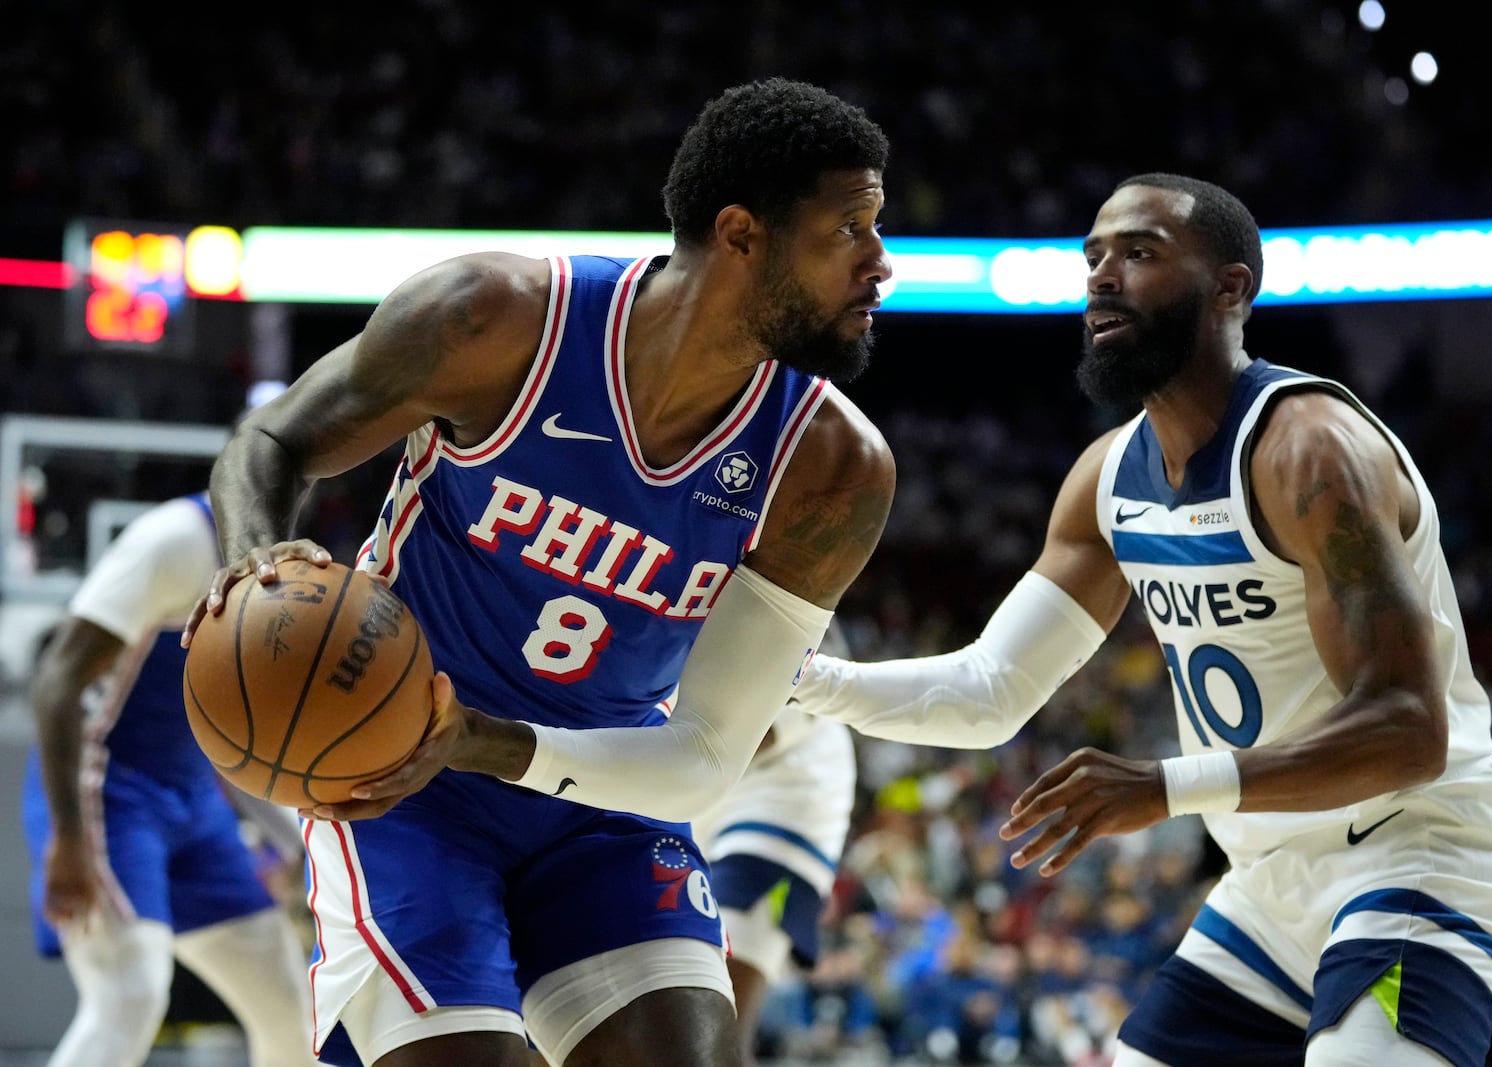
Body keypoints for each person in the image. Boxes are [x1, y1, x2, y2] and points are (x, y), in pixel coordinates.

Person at [182, 77, 896, 1067]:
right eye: (850, 228)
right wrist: (261, 559)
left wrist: (478, 740)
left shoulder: (831, 467)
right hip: (400, 786)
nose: (880, 264)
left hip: (599, 795)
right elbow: (273, 439)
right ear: (740, 235)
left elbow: (705, 753)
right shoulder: (497, 319)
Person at [796, 173, 1492, 1067]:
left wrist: (1165, 787)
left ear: (1231, 288)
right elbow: (989, 690)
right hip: (1268, 886)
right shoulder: (1108, 480)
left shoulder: (1308, 449)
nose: (1103, 276)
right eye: (1094, 257)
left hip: (1421, 855)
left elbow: (1411, 730)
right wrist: (803, 684)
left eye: (1141, 254)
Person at [21, 490, 319, 1067]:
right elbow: (57, 681)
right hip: (107, 793)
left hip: (193, 799)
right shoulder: (175, 540)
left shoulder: (294, 567)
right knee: (129, 995)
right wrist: (69, 836)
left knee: (292, 1006)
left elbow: (235, 744)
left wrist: (298, 842)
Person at [690, 625, 860, 1066]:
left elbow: (744, 740)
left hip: (786, 799)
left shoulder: (769, 580)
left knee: (715, 1019)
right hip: (714, 800)